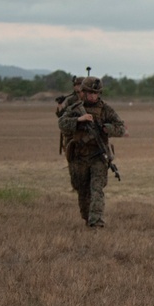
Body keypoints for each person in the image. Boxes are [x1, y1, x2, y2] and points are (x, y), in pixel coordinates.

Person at [57, 76, 126, 228]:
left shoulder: (106, 109)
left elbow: (121, 128)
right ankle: (88, 219)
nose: (93, 96)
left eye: (96, 93)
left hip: (98, 157)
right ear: (84, 92)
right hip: (79, 157)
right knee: (82, 191)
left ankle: (96, 223)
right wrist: (78, 120)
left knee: (97, 190)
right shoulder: (75, 108)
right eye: (90, 93)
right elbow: (61, 123)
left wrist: (107, 128)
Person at [55, 76, 84, 156]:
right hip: (72, 134)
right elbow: (61, 116)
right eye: (76, 86)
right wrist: (60, 104)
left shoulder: (91, 99)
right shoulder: (71, 100)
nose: (78, 89)